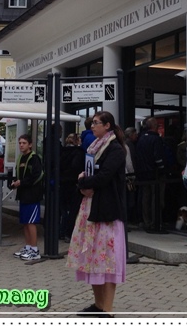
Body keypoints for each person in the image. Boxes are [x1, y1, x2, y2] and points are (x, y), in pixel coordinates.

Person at [67, 111, 127, 318]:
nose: (92, 126)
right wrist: (82, 184)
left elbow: (104, 176)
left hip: (107, 211)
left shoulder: (116, 149)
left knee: (107, 260)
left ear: (107, 126)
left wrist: (82, 182)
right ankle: (98, 305)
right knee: (92, 259)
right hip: (91, 207)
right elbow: (91, 175)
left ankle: (107, 310)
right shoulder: (93, 148)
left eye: (96, 123)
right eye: (92, 123)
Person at [10, 134, 45, 261]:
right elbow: (18, 174)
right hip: (23, 194)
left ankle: (35, 250)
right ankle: (28, 247)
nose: (21, 145)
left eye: (24, 143)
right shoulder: (21, 158)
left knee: (31, 222)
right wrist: (14, 182)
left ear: (30, 144)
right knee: (25, 222)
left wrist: (22, 182)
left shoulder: (34, 158)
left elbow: (37, 175)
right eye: (20, 143)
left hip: (32, 194)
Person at [135, 115, 165, 232]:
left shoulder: (141, 139)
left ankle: (146, 221)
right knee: (156, 198)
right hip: (155, 173)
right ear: (154, 126)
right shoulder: (156, 139)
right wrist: (162, 168)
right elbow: (158, 157)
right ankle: (155, 222)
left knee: (145, 198)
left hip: (143, 173)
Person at [60, 133, 85, 241]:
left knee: (64, 209)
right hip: (74, 182)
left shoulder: (62, 151)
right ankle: (69, 232)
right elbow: (76, 166)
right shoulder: (79, 153)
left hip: (63, 182)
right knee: (74, 209)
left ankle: (61, 231)